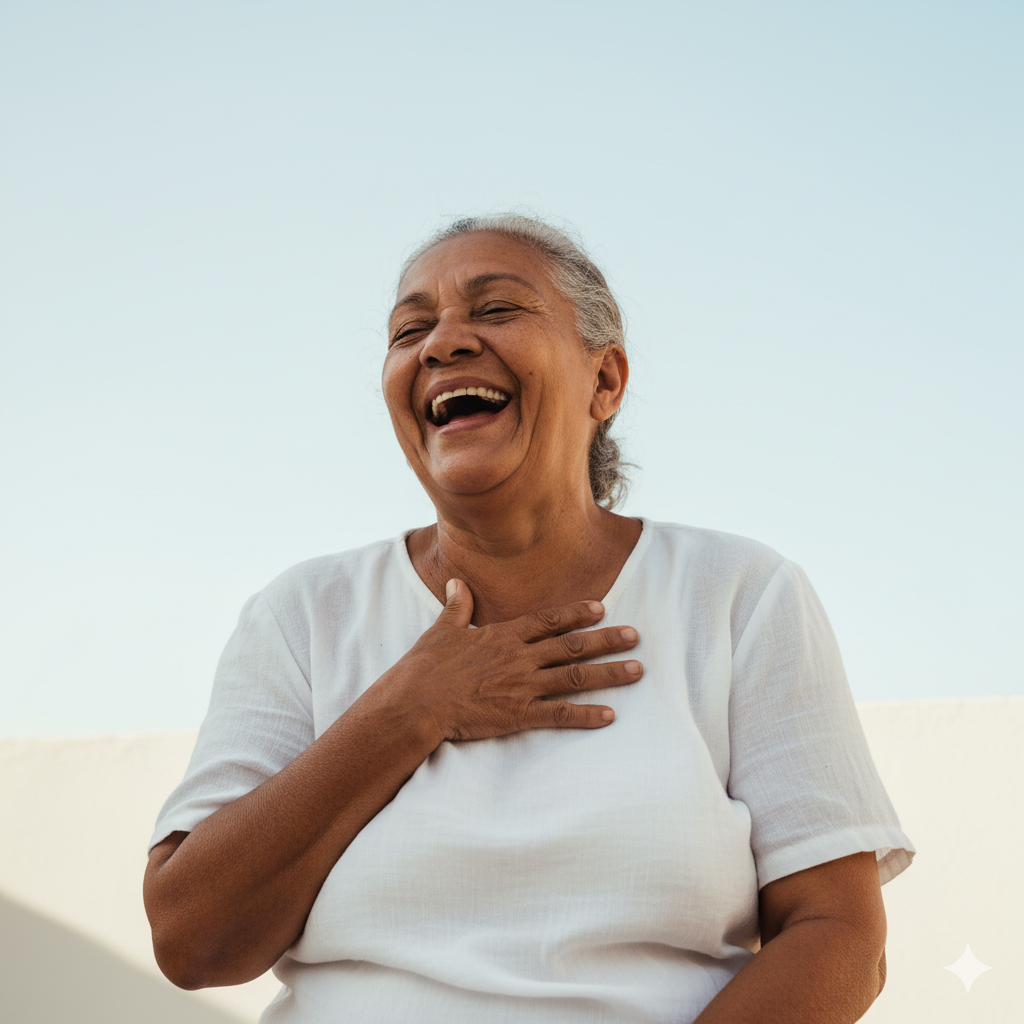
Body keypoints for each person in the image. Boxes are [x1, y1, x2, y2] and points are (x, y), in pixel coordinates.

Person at [144, 214, 914, 1024]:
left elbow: (840, 936)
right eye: (412, 329)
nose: (442, 344)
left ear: (605, 382)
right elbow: (193, 941)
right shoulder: (303, 614)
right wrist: (413, 707)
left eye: (498, 309)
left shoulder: (739, 595)